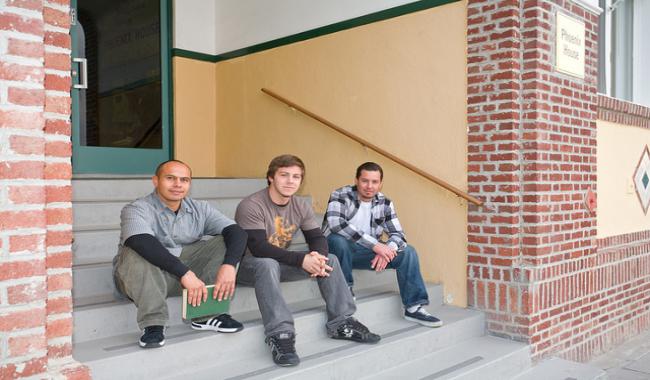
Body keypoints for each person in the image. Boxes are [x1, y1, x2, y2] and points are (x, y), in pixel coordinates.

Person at [235, 154, 380, 367]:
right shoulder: (251, 204)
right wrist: (301, 259)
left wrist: (317, 257)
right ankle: (280, 334)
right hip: (248, 266)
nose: (290, 181)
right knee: (267, 263)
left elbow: (316, 237)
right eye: (284, 175)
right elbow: (258, 248)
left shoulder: (300, 205)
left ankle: (341, 322)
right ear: (270, 178)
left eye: (296, 177)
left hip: (279, 263)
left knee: (329, 258)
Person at [113, 160, 248, 348]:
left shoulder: (200, 208)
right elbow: (141, 241)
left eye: (184, 180)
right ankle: (153, 323)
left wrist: (229, 266)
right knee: (134, 249)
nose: (178, 184)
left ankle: (206, 314)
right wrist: (185, 273)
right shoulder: (136, 209)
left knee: (226, 241)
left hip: (184, 280)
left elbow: (236, 232)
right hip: (142, 279)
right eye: (170, 178)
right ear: (156, 181)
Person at [323, 162, 443, 328]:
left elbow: (399, 235)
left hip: (363, 253)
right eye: (365, 181)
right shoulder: (340, 195)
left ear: (380, 183)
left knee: (408, 252)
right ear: (356, 180)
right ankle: (346, 291)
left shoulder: (385, 203)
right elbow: (336, 224)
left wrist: (388, 250)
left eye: (374, 182)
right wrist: (376, 245)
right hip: (335, 254)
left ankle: (414, 307)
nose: (369, 186)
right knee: (338, 239)